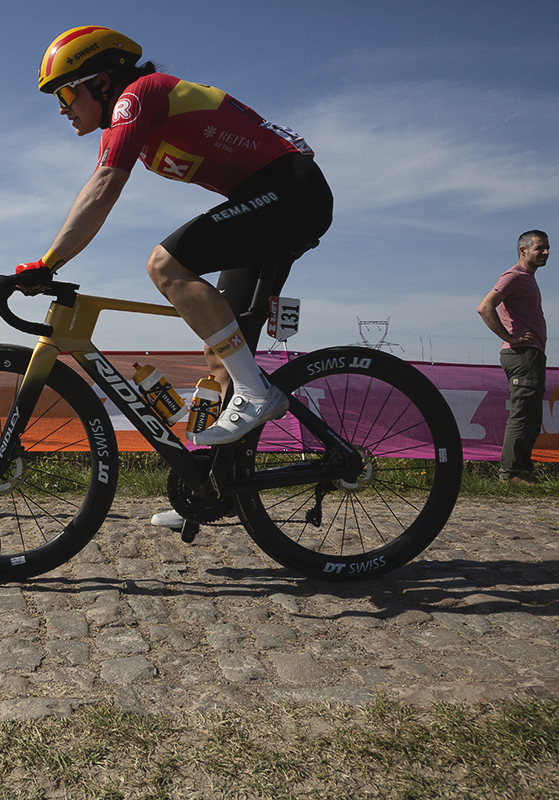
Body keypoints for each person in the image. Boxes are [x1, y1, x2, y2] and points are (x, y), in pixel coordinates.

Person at [20, 26, 333, 528]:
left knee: (165, 265)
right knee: (221, 352)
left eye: (64, 92)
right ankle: (212, 486)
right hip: (273, 197)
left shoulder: (137, 96)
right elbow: (99, 184)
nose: (61, 108)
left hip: (291, 192)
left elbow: (103, 188)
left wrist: (48, 263)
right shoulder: (127, 117)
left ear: (101, 82)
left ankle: (259, 395)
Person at [477, 230, 550, 485]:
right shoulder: (514, 276)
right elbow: (485, 306)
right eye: (539, 248)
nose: (546, 253)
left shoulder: (528, 279)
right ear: (523, 250)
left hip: (532, 354)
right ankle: (509, 474)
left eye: (547, 248)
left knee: (532, 416)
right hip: (521, 354)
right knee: (522, 414)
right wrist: (510, 337)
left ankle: (523, 471)